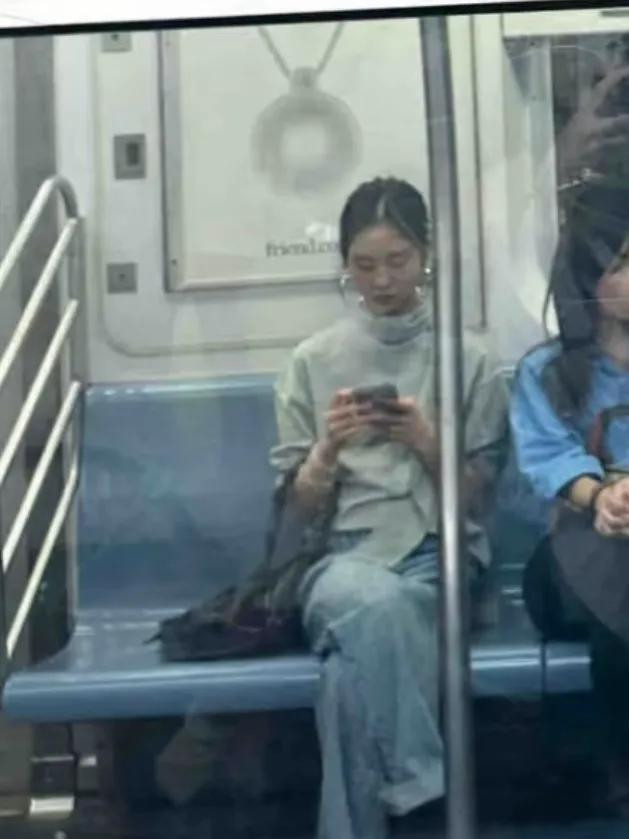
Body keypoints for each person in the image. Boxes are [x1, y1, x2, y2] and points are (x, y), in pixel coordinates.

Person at [270, 177, 508, 839]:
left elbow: (479, 499)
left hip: (438, 557)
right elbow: (294, 514)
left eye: (397, 261)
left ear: (425, 256)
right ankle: (421, 786)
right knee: (375, 603)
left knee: (345, 679)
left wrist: (428, 442)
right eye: (364, 264)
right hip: (342, 558)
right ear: (345, 265)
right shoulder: (311, 361)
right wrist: (326, 449)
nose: (381, 280)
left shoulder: (469, 359)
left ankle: (395, 804)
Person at [511, 180, 629, 816]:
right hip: (566, 559)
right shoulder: (547, 372)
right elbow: (549, 461)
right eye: (623, 263)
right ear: (586, 275)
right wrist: (604, 497)